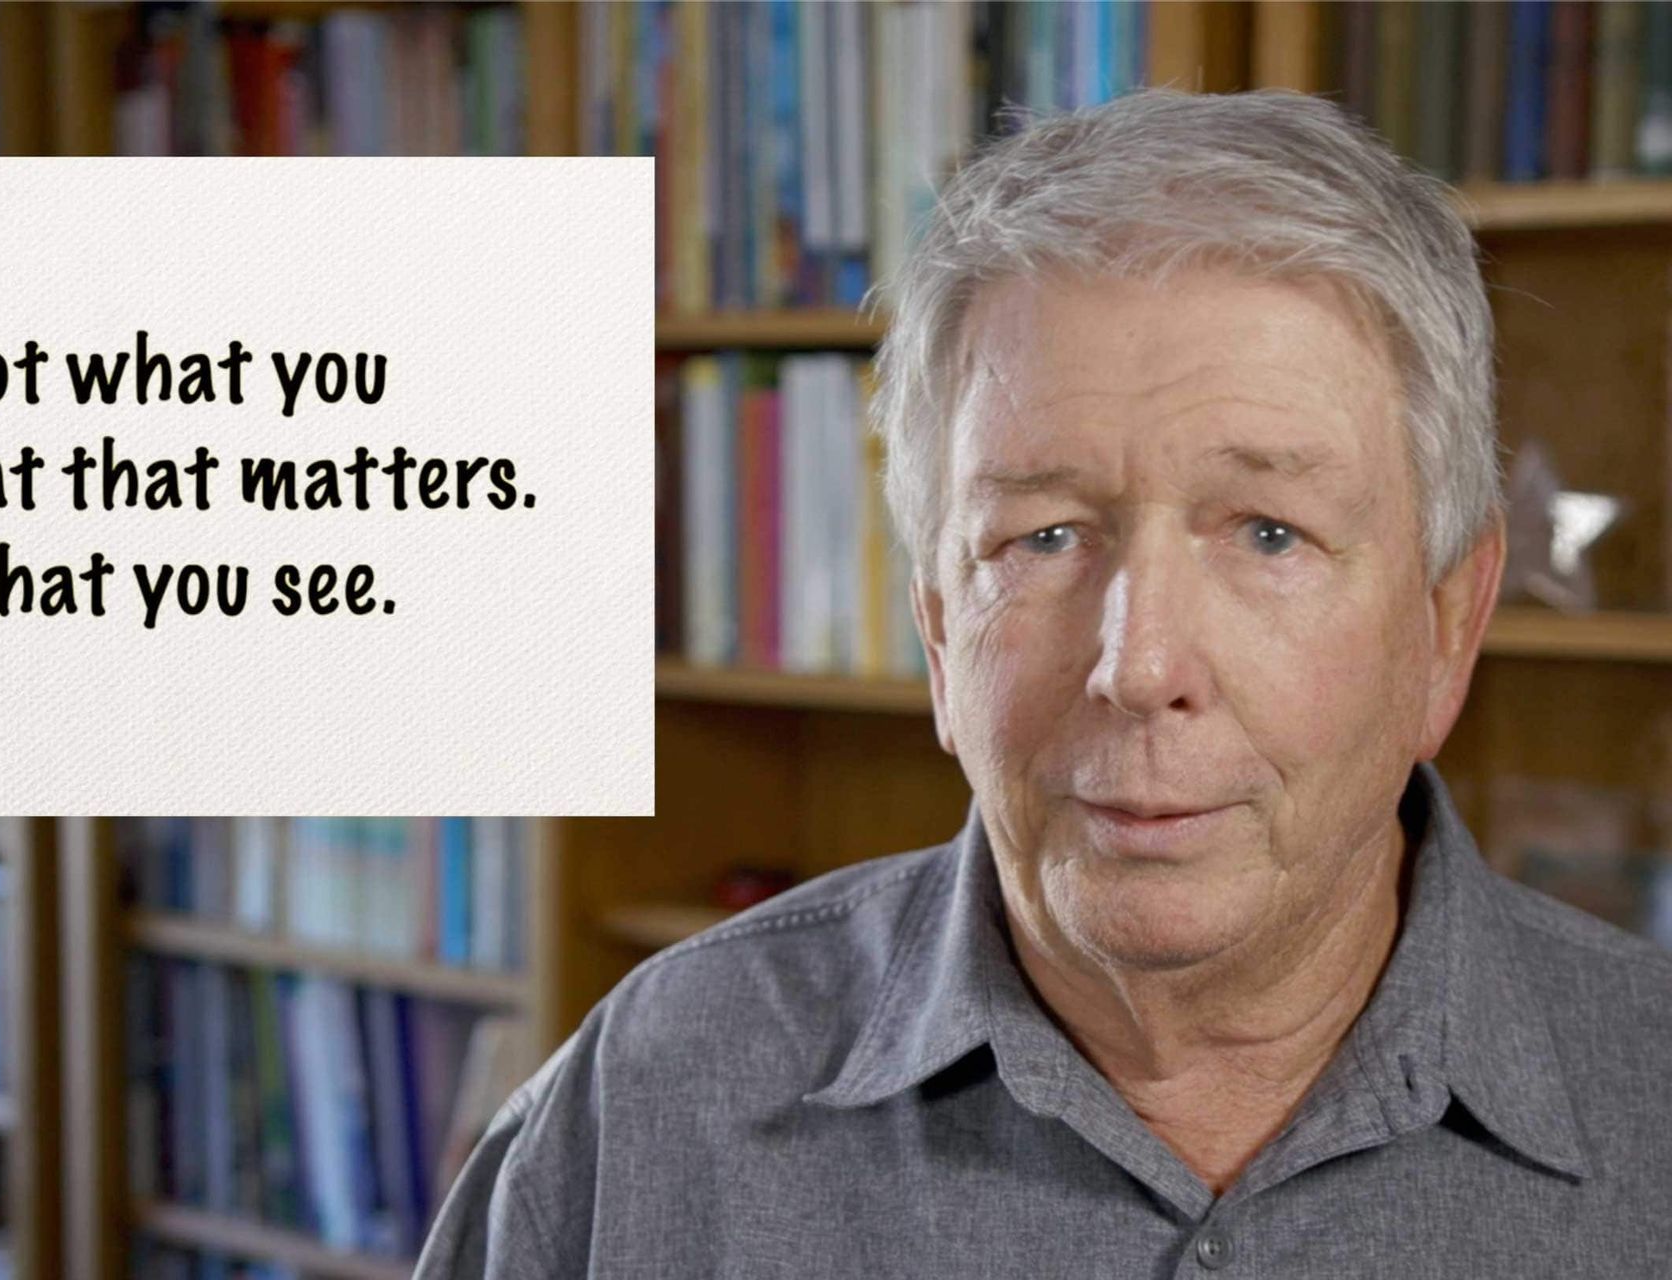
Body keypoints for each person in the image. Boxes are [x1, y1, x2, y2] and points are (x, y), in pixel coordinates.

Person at [417, 88, 1672, 1277]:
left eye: (1269, 532)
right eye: (1046, 537)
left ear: (1448, 626)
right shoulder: (648, 1096)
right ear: (939, 630)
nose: (1141, 665)